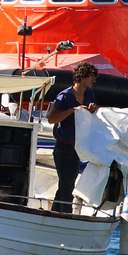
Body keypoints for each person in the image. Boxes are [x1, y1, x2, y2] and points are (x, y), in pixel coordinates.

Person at [45, 62, 99, 212]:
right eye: (91, 77)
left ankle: (55, 214)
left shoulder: (89, 94)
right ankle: (65, 216)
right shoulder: (65, 96)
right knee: (67, 185)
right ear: (82, 77)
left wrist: (93, 109)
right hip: (63, 147)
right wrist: (71, 110)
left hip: (77, 147)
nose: (94, 80)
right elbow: (52, 119)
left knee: (65, 184)